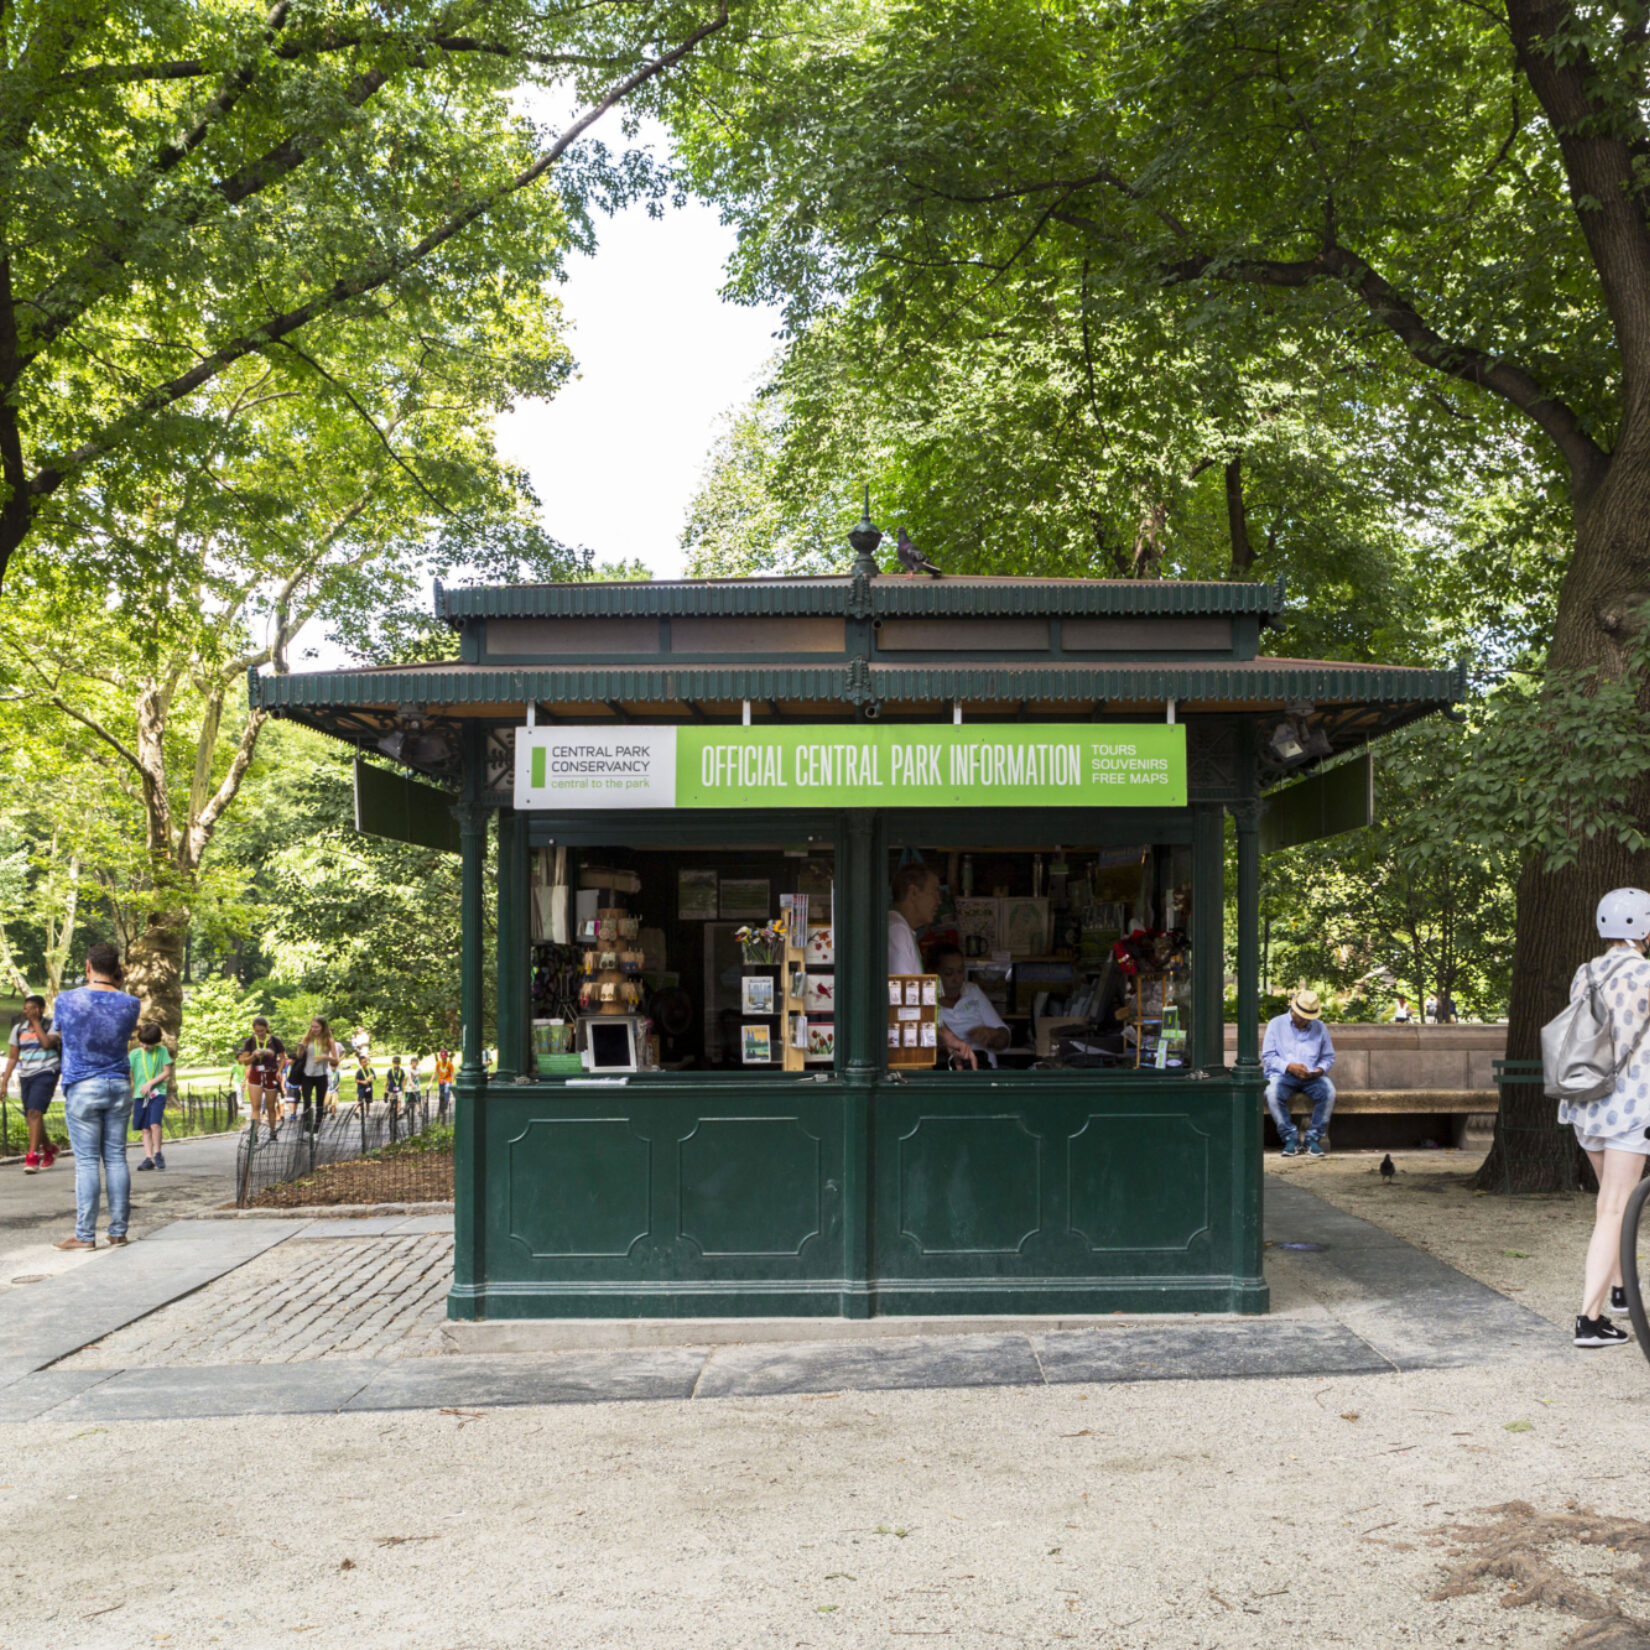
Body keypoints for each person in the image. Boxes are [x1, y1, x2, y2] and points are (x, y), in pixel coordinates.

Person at [1561, 888, 1650, 1348]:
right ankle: (1588, 1320)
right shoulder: (1646, 975)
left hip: (1585, 1102)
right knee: (1616, 1207)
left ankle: (1621, 1292)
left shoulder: (1586, 972)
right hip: (1630, 1107)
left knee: (1608, 1205)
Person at [51, 942, 141, 1250]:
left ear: (88, 966)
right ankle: (118, 1231)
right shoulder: (131, 1003)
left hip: (82, 1085)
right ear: (116, 969)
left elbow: (59, 1036)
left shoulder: (66, 1000)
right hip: (118, 1084)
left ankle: (85, 1235)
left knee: (87, 1161)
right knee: (116, 1158)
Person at [888, 862, 976, 1068]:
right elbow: (910, 1001)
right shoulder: (897, 932)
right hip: (903, 1059)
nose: (939, 900)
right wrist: (947, 1037)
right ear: (913, 892)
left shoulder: (902, 930)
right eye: (934, 892)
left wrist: (947, 1038)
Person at [1261, 988, 1337, 1159]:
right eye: (1301, 1017)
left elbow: (1328, 1057)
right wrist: (1289, 1067)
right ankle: (1290, 1137)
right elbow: (1268, 1056)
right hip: (1282, 1074)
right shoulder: (1276, 1024)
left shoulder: (1320, 1028)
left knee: (1329, 1092)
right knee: (1272, 1093)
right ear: (1293, 1010)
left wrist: (1319, 1070)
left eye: (1308, 1018)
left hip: (1312, 1077)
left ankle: (1313, 1138)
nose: (1304, 1021)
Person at [2, 993, 61, 1173]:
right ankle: (49, 1149)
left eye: (31, 1008)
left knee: (34, 1112)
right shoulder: (18, 1029)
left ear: (41, 1009)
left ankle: (33, 1155)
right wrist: (3, 1083)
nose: (27, 1011)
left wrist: (36, 1023)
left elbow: (46, 1044)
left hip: (46, 1072)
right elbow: (12, 1057)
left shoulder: (52, 1026)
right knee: (31, 1116)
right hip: (26, 1074)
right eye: (25, 1008)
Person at [933, 944, 1010, 1068]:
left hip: (985, 1071)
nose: (957, 979)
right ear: (934, 974)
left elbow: (1004, 1038)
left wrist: (993, 1035)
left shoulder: (972, 991)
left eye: (960, 971)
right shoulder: (926, 1001)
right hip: (949, 1072)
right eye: (948, 973)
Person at [128, 1022, 173, 1171]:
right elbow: (127, 1071)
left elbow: (166, 1071)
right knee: (145, 1128)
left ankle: (158, 1153)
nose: (145, 1046)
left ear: (156, 1042)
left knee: (155, 1124)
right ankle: (148, 1158)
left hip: (157, 1093)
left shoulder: (162, 1051)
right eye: (143, 1043)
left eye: (149, 1044)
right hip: (141, 1095)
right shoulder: (135, 1054)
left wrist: (151, 1083)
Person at [238, 1015, 285, 1143]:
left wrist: (280, 1071)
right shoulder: (249, 1042)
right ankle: (254, 1134)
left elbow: (283, 1058)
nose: (259, 1033)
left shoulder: (275, 1040)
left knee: (270, 1106)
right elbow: (243, 1061)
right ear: (254, 1029)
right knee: (256, 1106)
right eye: (257, 1031)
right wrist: (254, 1055)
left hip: (271, 1074)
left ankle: (272, 1131)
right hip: (256, 1074)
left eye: (262, 1031)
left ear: (266, 1028)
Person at [291, 1018, 339, 1134]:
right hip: (307, 1074)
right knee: (306, 1100)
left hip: (321, 1075)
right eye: (312, 1026)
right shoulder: (307, 1038)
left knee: (319, 1103)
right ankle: (307, 1124)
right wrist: (300, 1049)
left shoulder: (329, 1041)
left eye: (317, 1027)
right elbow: (299, 1056)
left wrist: (324, 1057)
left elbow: (336, 1060)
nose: (314, 1029)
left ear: (323, 1027)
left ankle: (317, 1126)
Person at [434, 1048, 455, 1116]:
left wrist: (452, 1082)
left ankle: (446, 1104)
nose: (444, 1059)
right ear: (441, 1057)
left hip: (448, 1080)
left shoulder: (450, 1064)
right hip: (441, 1081)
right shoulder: (438, 1063)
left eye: (445, 1058)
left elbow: (452, 1074)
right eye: (442, 1058)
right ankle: (441, 1109)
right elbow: (435, 1073)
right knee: (441, 1095)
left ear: (447, 1057)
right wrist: (431, 1081)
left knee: (446, 1091)